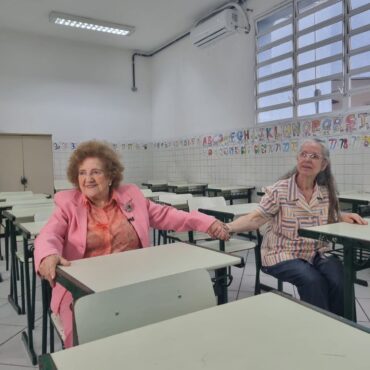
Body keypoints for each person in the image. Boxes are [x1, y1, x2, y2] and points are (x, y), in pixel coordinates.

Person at [34, 140, 228, 347]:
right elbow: (48, 234)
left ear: (110, 176)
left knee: (164, 321)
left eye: (95, 172)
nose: (88, 179)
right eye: (82, 173)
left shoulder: (131, 196)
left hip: (131, 282)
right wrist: (47, 255)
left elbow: (167, 215)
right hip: (83, 290)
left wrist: (206, 222)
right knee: (89, 333)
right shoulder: (68, 204)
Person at [227, 138, 367, 316]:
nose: (307, 159)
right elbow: (255, 218)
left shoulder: (325, 192)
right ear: (297, 159)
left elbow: (330, 218)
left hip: (317, 251)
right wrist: (228, 228)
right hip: (281, 252)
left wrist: (343, 216)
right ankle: (319, 329)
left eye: (314, 156)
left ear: (323, 164)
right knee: (313, 281)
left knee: (340, 279)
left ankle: (345, 327)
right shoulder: (279, 190)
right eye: (303, 154)